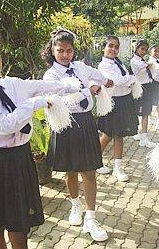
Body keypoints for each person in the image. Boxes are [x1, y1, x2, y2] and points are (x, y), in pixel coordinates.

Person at [0, 30, 79, 249]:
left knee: (19, 224)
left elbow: (40, 86)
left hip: (20, 159)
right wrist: (35, 103)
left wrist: (68, 86)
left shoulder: (11, 84)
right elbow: (5, 125)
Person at [42, 28, 112, 242]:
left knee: (89, 171)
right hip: (66, 124)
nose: (65, 55)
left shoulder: (80, 66)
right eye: (60, 50)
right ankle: (75, 204)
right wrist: (87, 91)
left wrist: (103, 82)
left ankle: (90, 218)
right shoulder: (50, 75)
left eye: (69, 50)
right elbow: (63, 99)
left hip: (85, 122)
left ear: (74, 51)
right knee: (70, 170)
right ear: (52, 51)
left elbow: (101, 77)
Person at [96, 36, 138, 181]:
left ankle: (111, 166)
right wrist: (130, 80)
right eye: (110, 46)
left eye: (116, 47)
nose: (113, 49)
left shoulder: (118, 63)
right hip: (113, 102)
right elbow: (116, 81)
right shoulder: (103, 66)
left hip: (124, 101)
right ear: (104, 47)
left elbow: (125, 78)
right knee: (111, 134)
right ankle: (104, 165)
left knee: (115, 135)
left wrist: (128, 80)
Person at [131, 40, 156, 148]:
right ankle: (144, 139)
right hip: (141, 88)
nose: (144, 52)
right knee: (144, 113)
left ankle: (139, 134)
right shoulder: (134, 61)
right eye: (142, 49)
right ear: (137, 48)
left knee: (145, 112)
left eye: (146, 50)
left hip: (147, 87)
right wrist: (150, 64)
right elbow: (145, 66)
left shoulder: (141, 60)